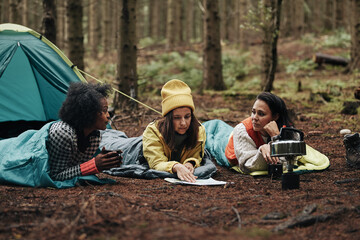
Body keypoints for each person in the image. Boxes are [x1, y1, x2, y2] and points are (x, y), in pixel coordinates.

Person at [46, 82, 122, 181]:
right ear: (89, 112)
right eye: (104, 110)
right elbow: (55, 175)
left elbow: (75, 169)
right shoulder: (63, 134)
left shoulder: (94, 136)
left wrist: (106, 161)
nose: (108, 116)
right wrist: (93, 165)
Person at [142, 79, 206, 183]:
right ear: (168, 118)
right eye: (177, 118)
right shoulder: (153, 131)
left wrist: (190, 163)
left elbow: (196, 155)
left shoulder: (198, 130)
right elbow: (156, 162)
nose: (183, 123)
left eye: (187, 116)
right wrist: (176, 167)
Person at [225, 92, 294, 173]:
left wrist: (276, 137)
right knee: (215, 128)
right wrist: (262, 149)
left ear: (275, 117)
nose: (254, 118)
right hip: (232, 145)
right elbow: (248, 166)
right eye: (253, 112)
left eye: (261, 114)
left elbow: (286, 163)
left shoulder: (288, 129)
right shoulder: (242, 130)